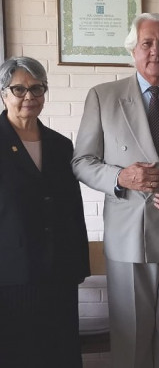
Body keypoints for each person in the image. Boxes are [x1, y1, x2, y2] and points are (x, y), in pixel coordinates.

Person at [72, 13, 159, 368]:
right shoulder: (103, 97)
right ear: (133, 50)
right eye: (147, 43)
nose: (156, 51)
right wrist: (122, 178)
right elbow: (82, 162)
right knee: (130, 343)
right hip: (128, 241)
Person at [0, 56, 90, 367]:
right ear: (3, 93)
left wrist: (79, 265)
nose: (29, 97)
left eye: (37, 89)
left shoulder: (61, 146)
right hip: (11, 276)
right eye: (19, 89)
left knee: (60, 353)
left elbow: (72, 210)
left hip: (59, 273)